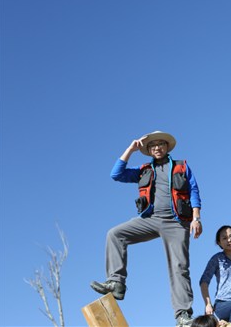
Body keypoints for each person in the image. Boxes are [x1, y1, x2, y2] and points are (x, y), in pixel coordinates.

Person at [90, 131, 202, 327]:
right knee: (115, 234)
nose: (157, 148)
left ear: (167, 147)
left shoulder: (181, 166)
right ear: (149, 150)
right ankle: (116, 282)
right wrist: (130, 149)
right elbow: (116, 174)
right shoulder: (143, 170)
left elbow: (193, 190)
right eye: (153, 145)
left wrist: (196, 218)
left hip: (176, 222)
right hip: (151, 219)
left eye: (161, 144)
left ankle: (182, 315)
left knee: (179, 267)